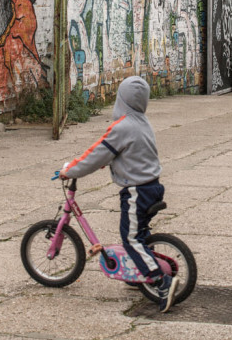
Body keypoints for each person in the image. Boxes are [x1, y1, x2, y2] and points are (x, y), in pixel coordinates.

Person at [60, 75, 178, 313]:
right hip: (152, 186)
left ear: (121, 99)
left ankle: (159, 280)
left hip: (137, 191)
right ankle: (138, 272)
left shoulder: (122, 127)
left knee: (131, 239)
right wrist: (114, 161)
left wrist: (69, 170)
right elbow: (132, 153)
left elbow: (95, 154)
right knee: (140, 234)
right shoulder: (142, 122)